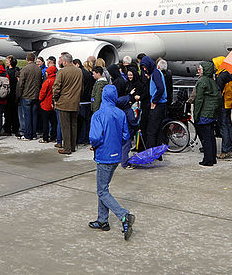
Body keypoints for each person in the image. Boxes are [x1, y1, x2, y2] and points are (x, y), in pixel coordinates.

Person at [87, 85, 135, 240]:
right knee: (104, 188)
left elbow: (95, 137)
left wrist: (95, 145)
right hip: (116, 156)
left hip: (104, 155)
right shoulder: (120, 113)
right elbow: (126, 135)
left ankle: (123, 215)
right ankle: (102, 220)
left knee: (102, 191)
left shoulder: (99, 114)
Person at [53, 52, 83, 154]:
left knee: (65, 126)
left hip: (64, 103)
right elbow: (80, 87)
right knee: (73, 125)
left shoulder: (62, 71)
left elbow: (56, 87)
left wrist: (55, 98)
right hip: (75, 102)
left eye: (61, 60)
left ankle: (67, 148)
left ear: (65, 61)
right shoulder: (79, 71)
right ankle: (72, 146)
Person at [193, 60, 220, 166]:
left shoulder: (202, 81)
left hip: (204, 113)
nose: (198, 71)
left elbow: (199, 100)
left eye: (200, 69)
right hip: (212, 113)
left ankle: (208, 159)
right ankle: (212, 158)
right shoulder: (212, 81)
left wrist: (196, 115)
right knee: (211, 137)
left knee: (206, 138)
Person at [141, 56, 167, 151]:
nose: (144, 69)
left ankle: (149, 153)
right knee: (158, 130)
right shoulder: (157, 73)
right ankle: (157, 153)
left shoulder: (155, 73)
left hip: (157, 105)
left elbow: (160, 88)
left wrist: (154, 100)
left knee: (151, 131)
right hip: (162, 104)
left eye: (145, 67)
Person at [213, 56, 232, 159]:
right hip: (228, 103)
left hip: (222, 104)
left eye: (215, 64)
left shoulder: (221, 76)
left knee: (223, 127)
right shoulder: (228, 74)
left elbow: (218, 91)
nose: (214, 66)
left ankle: (226, 150)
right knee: (228, 125)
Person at [18, 52, 42, 140]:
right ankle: (34, 134)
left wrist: (19, 94)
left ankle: (28, 135)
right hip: (36, 95)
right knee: (34, 115)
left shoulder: (25, 69)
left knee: (27, 116)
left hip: (27, 95)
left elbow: (21, 83)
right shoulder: (38, 69)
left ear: (27, 59)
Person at [38, 62, 57, 143]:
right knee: (53, 122)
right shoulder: (56, 80)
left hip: (45, 104)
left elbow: (42, 93)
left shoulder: (47, 81)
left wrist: (40, 99)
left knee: (45, 122)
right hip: (53, 104)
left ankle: (45, 138)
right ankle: (53, 136)